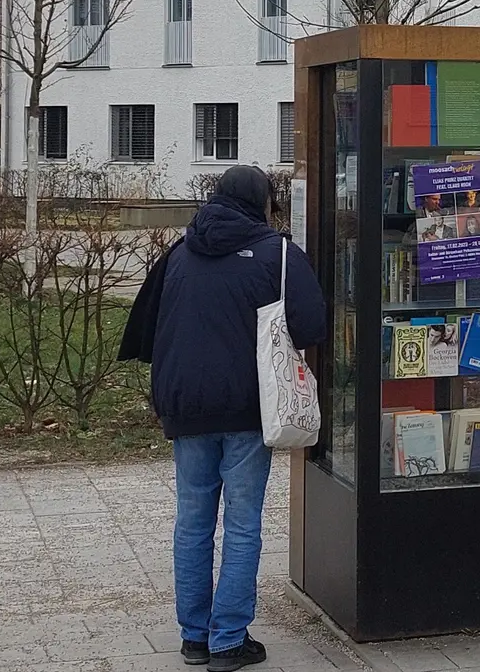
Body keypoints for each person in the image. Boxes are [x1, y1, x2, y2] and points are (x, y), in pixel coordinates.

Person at [119, 166, 326, 671]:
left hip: (186, 405)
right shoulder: (278, 255)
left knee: (192, 521)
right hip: (248, 406)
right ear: (263, 203)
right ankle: (229, 640)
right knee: (241, 522)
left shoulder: (180, 251)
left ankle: (194, 636)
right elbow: (314, 324)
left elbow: (146, 324)